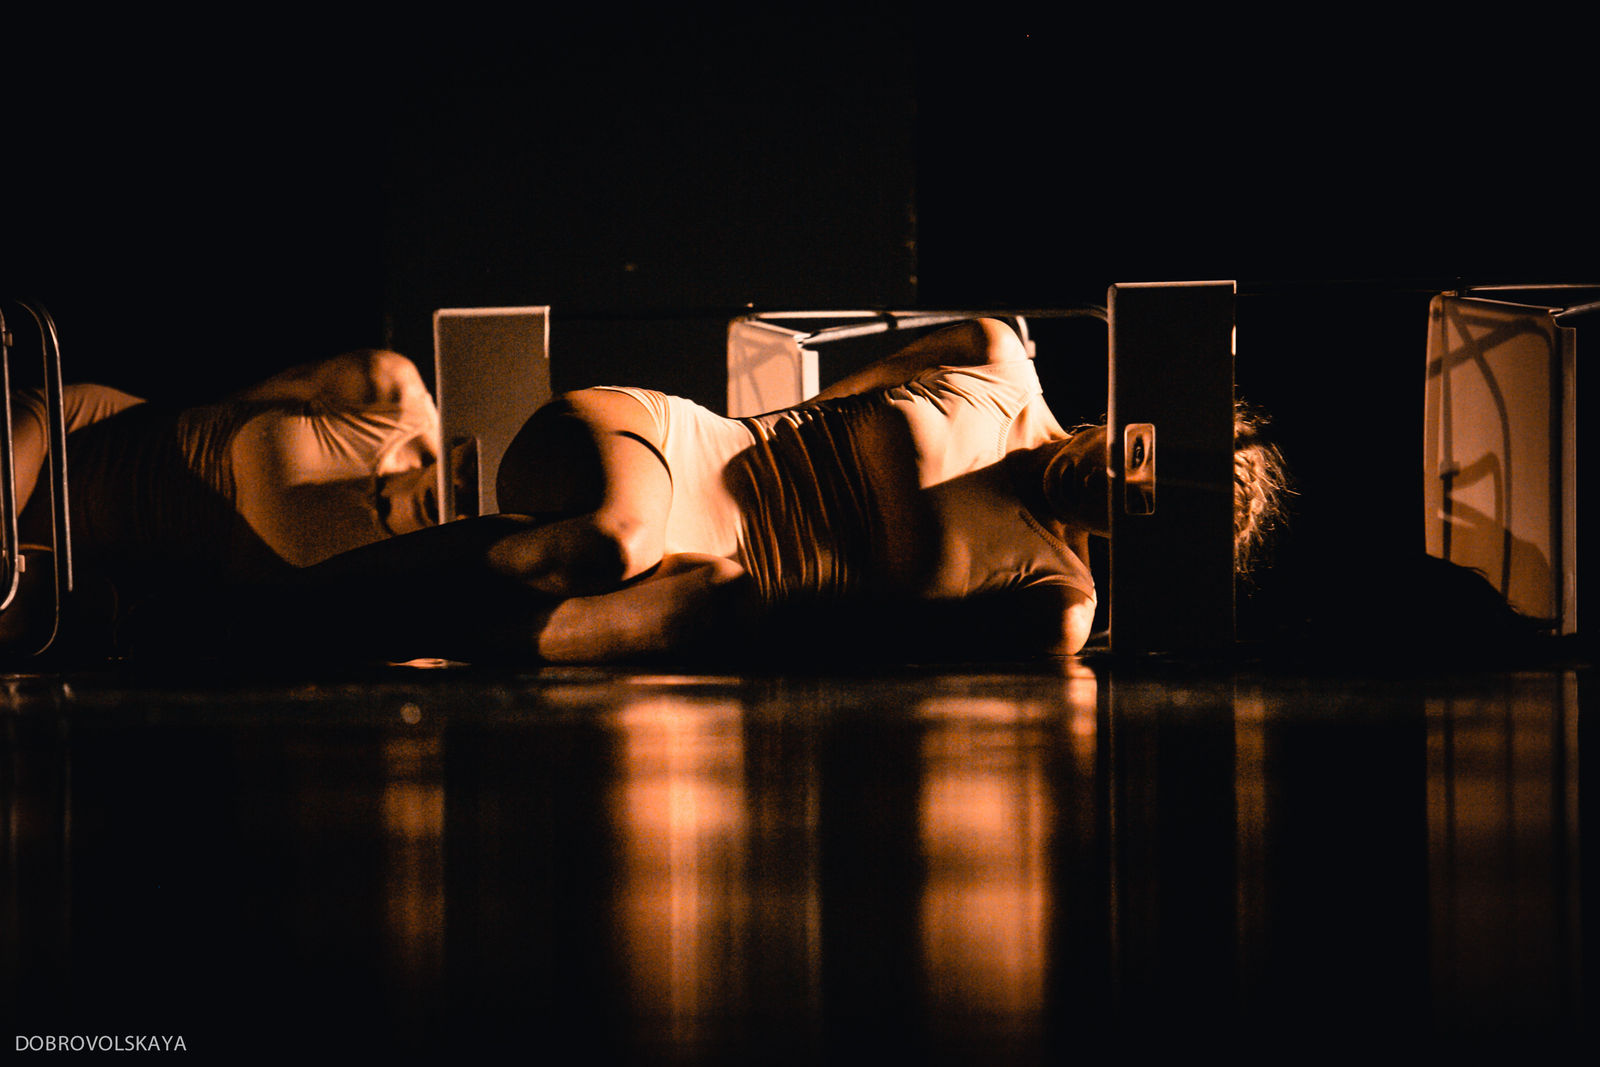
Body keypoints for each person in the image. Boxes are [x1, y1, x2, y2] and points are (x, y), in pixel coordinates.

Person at [226, 317, 1287, 666]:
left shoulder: (1057, 601)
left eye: (1141, 502)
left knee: (698, 592)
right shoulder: (993, 354)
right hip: (656, 446)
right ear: (1133, 423)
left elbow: (879, 652)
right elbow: (807, 404)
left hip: (706, 592)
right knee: (609, 541)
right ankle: (313, 615)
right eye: (1140, 453)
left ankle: (321, 627)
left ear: (1142, 538)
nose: (1113, 477)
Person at [1, 349, 444, 652]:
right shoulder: (388, 393)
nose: (457, 492)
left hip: (81, 576)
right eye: (467, 470)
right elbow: (224, 404)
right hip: (74, 440)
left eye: (472, 501)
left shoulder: (401, 592)